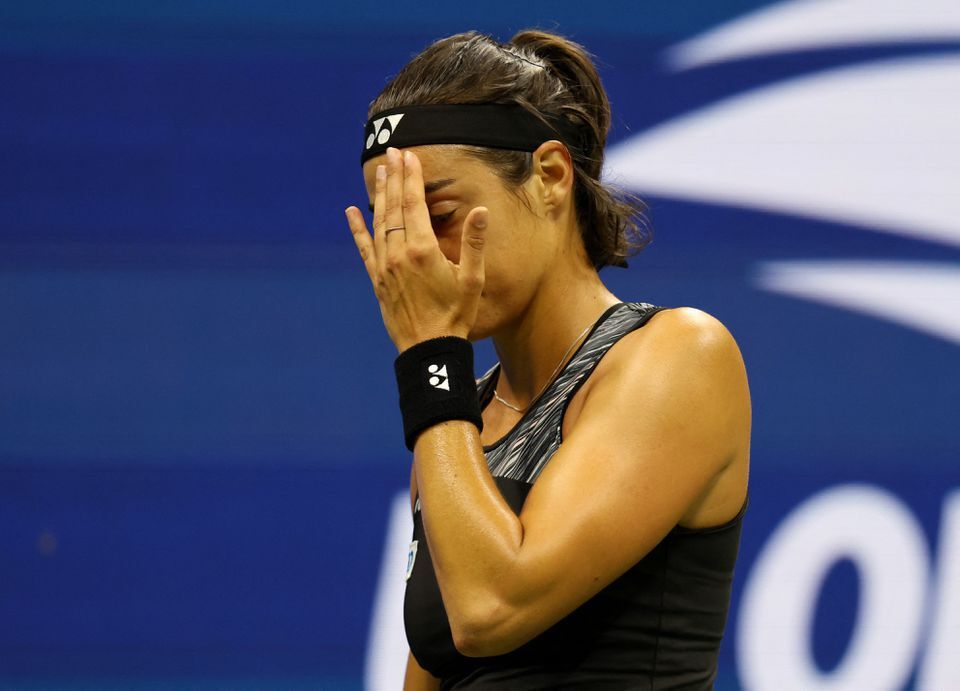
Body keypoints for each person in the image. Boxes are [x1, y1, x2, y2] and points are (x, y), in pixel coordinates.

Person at [345, 29, 751, 690]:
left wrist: (428, 352)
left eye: (437, 214)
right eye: (394, 224)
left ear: (551, 177)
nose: (410, 256)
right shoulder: (456, 425)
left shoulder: (681, 356)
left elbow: (490, 606)